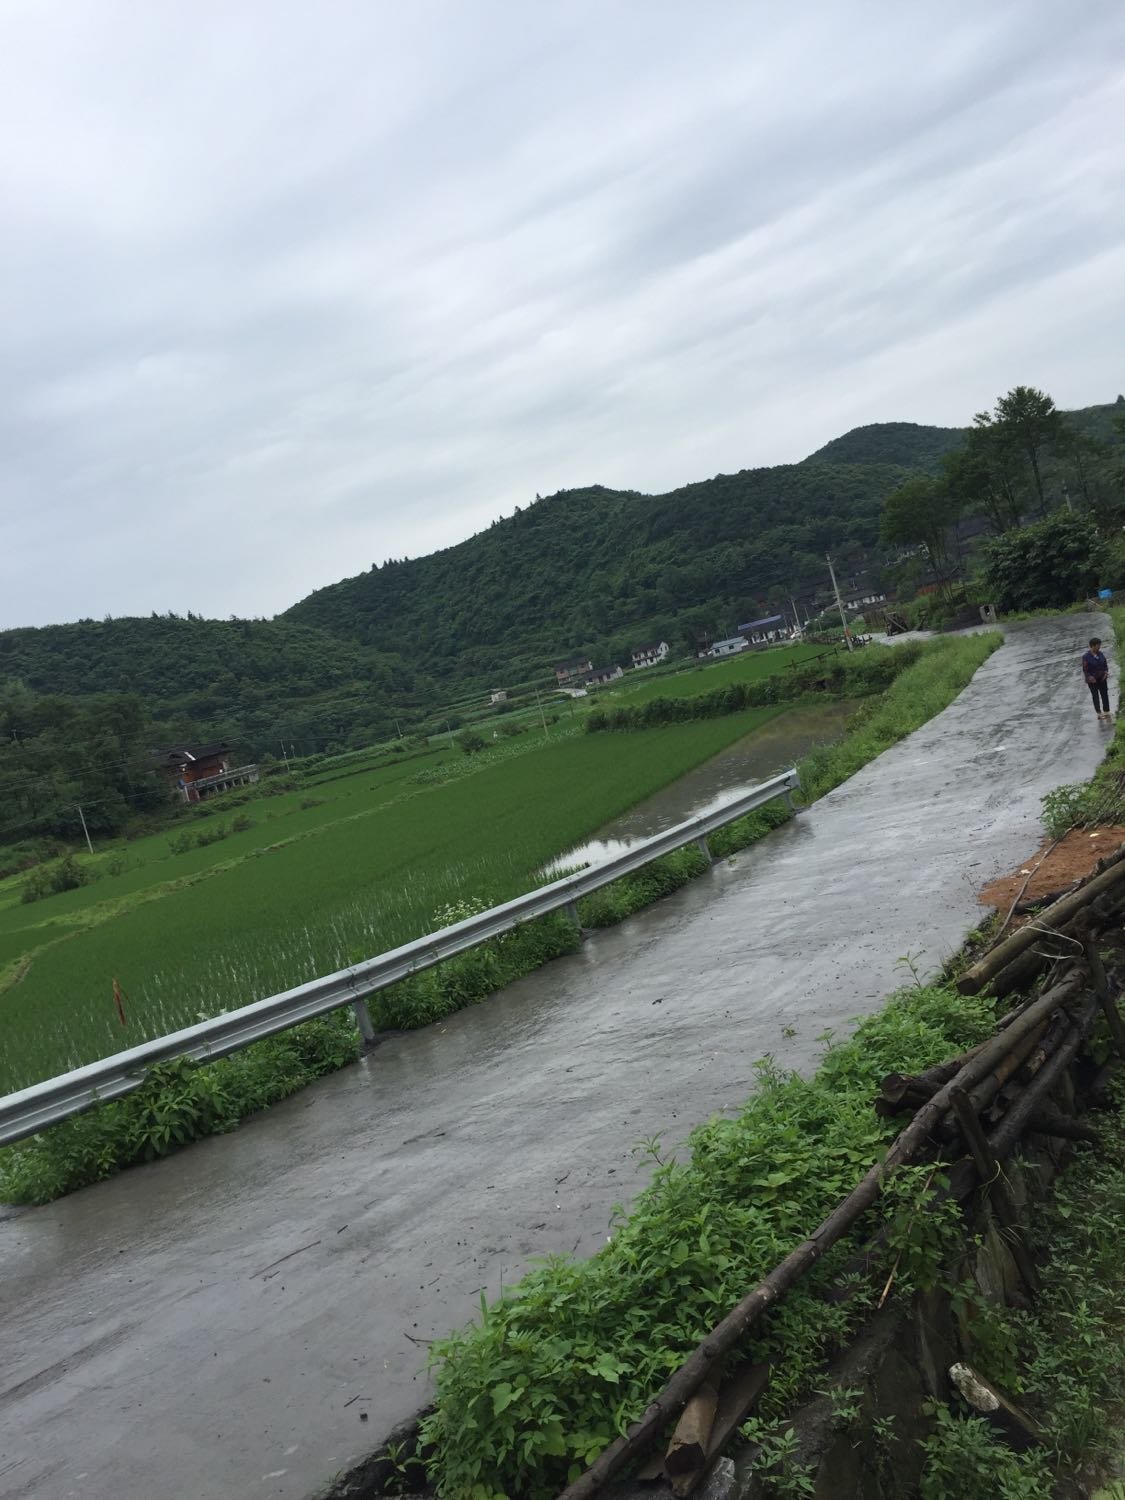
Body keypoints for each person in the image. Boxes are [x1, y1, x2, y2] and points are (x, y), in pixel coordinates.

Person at [1082, 637, 1111, 720]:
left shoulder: (1100, 653)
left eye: (1099, 645)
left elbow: (1105, 664)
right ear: (1092, 646)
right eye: (1098, 645)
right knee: (1095, 696)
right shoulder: (1086, 657)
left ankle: (1106, 711)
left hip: (1102, 678)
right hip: (1092, 681)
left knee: (1104, 694)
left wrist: (1106, 671)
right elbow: (1085, 669)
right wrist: (1090, 677)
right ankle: (1099, 713)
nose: (1099, 647)